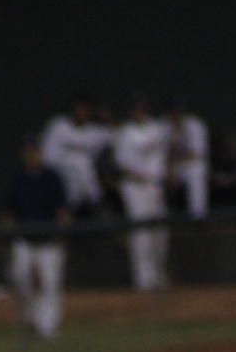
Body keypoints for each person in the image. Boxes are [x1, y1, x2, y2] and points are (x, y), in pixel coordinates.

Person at [1, 135, 71, 339]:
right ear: (23, 154)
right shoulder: (18, 179)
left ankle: (48, 327)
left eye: (36, 150)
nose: (33, 154)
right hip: (24, 240)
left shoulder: (52, 177)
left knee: (50, 283)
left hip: (49, 240)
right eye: (29, 151)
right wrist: (6, 236)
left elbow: (62, 210)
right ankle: (33, 317)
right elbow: (8, 212)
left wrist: (63, 234)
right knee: (21, 278)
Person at [115, 91, 170, 290]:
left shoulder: (156, 128)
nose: (140, 111)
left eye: (143, 107)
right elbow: (121, 166)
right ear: (131, 110)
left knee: (161, 234)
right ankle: (143, 280)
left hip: (155, 187)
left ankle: (159, 276)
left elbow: (166, 154)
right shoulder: (124, 133)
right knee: (141, 235)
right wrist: (142, 177)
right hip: (135, 188)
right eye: (137, 107)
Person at [39, 94, 115, 216]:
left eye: (86, 109)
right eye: (80, 108)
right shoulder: (58, 125)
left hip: (80, 182)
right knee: (79, 161)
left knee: (81, 164)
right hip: (57, 172)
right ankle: (97, 201)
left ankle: (73, 209)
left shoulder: (94, 131)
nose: (83, 112)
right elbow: (44, 155)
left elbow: (119, 136)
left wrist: (107, 117)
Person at [164, 95, 210, 219]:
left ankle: (198, 216)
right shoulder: (164, 126)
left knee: (197, 170)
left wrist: (173, 166)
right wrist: (170, 169)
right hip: (169, 166)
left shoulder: (196, 125)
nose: (177, 114)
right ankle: (163, 214)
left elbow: (195, 153)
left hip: (189, 165)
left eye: (180, 110)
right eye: (174, 110)